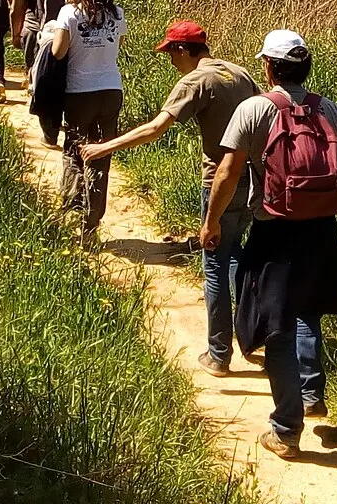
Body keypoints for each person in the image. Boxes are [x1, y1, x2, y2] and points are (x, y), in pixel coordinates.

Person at [202, 30, 337, 461]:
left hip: (274, 230)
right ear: (306, 68)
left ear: (270, 68)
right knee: (306, 310)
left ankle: (286, 429)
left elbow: (228, 174)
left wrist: (212, 222)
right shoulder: (331, 111)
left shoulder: (255, 109)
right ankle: (312, 395)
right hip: (321, 230)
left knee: (275, 328)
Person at [80, 21, 259, 375]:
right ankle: (252, 335)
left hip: (220, 182)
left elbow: (155, 128)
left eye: (170, 53)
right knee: (237, 255)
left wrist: (105, 147)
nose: (170, 61)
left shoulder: (195, 81)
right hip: (252, 180)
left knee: (215, 265)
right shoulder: (240, 73)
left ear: (182, 50)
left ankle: (218, 354)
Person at [49, 0, 127, 244]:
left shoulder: (68, 12)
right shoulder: (117, 13)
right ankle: (91, 226)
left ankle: (73, 210)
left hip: (80, 92)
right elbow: (116, 45)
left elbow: (58, 53)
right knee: (101, 153)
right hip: (111, 90)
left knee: (73, 151)